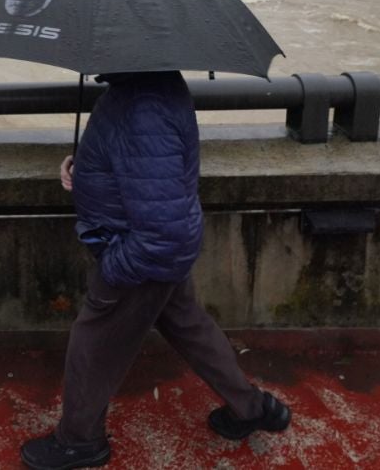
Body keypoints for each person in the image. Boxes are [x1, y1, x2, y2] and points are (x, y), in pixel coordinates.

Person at [20, 71, 291, 470]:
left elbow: (160, 222)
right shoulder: (147, 83)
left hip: (142, 252)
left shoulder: (141, 108)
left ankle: (79, 441)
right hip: (156, 248)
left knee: (93, 341)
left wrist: (114, 268)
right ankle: (251, 408)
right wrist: (88, 168)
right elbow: (142, 168)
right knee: (187, 323)